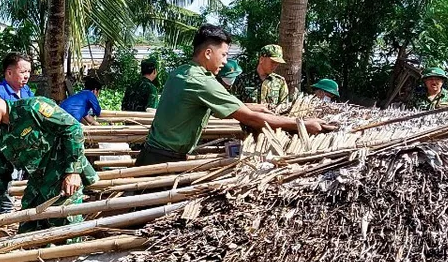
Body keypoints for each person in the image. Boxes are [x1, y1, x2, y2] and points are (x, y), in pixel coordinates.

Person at [138, 25, 335, 167]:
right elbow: (248, 118)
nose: (225, 61)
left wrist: (252, 106)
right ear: (208, 53)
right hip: (164, 158)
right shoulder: (201, 81)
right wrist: (301, 124)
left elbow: (213, 104)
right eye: (223, 55)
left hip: (151, 152)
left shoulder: (182, 72)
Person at [0, 86, 98, 233]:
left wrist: (73, 171)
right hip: (39, 183)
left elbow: (72, 128)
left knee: (65, 234)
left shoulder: (33, 108)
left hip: (63, 178)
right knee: (26, 233)